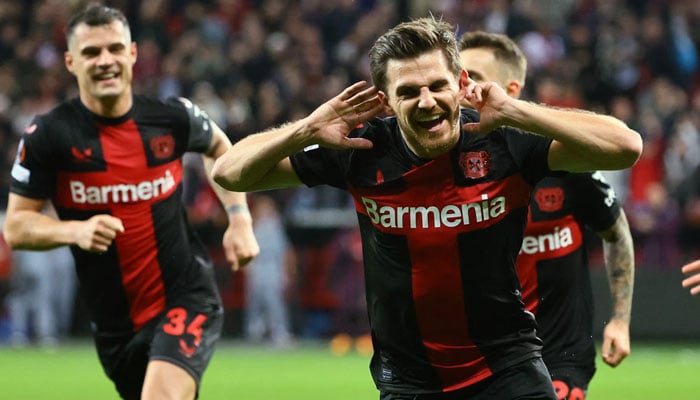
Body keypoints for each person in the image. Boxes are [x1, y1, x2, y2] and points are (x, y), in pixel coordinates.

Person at [212, 16, 642, 400]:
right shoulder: (360, 150)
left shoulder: (503, 140)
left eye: (438, 85)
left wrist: (514, 110)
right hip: (409, 382)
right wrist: (306, 128)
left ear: (460, 82)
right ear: (385, 100)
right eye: (409, 91)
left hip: (508, 370)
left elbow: (625, 146)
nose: (427, 101)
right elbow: (231, 173)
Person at [2, 5, 259, 400]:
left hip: (185, 296)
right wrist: (76, 230)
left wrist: (239, 219)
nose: (105, 61)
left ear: (133, 54)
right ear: (71, 61)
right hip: (115, 325)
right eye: (91, 53)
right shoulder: (48, 137)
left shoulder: (171, 118)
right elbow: (16, 227)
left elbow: (221, 150)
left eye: (114, 49)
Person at [458, 31, 634, 399]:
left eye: (473, 75)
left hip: (560, 355)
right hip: (484, 359)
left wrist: (619, 319)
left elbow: (616, 231)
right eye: (457, 77)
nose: (464, 88)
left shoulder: (565, 160)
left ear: (511, 87)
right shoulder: (452, 165)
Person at [244, 194, 295, 348]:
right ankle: (254, 333)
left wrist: (287, 272)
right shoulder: (251, 225)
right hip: (257, 266)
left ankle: (279, 333)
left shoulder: (276, 225)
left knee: (274, 301)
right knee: (255, 301)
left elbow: (285, 250)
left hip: (273, 266)